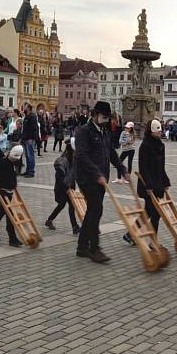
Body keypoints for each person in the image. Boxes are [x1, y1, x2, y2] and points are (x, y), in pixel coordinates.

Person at [73, 100, 128, 263]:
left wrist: (121, 168)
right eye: (104, 117)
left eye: (108, 117)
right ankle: (94, 248)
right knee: (96, 210)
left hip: (101, 177)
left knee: (93, 211)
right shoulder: (84, 131)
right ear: (95, 115)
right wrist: (97, 173)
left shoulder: (104, 131)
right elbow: (82, 155)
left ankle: (82, 247)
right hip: (87, 177)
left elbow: (110, 152)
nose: (106, 120)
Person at [137, 118, 171, 234]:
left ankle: (131, 234)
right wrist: (148, 184)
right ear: (151, 131)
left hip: (158, 182)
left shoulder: (161, 145)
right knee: (155, 213)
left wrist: (165, 180)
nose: (160, 132)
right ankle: (153, 242)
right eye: (157, 131)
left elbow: (162, 165)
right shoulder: (145, 145)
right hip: (148, 183)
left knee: (148, 211)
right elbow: (143, 167)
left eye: (160, 130)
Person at [0, 145, 23, 247]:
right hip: (2, 190)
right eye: (13, 157)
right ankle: (12, 238)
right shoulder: (2, 162)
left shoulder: (15, 161)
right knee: (9, 214)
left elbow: (14, 173)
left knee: (1, 212)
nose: (15, 160)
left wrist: (15, 183)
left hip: (10, 190)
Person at [45, 137, 80, 234]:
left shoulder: (73, 158)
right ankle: (50, 220)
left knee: (69, 206)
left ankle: (74, 226)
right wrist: (67, 187)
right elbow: (59, 178)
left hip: (70, 186)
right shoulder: (62, 161)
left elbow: (75, 173)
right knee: (62, 205)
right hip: (62, 188)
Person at [21, 104, 37, 177]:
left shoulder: (32, 116)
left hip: (29, 139)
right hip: (25, 138)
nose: (24, 108)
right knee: (27, 156)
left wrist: (31, 138)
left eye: (25, 107)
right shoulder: (27, 116)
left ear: (29, 108)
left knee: (30, 156)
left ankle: (31, 172)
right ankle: (28, 170)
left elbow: (34, 128)